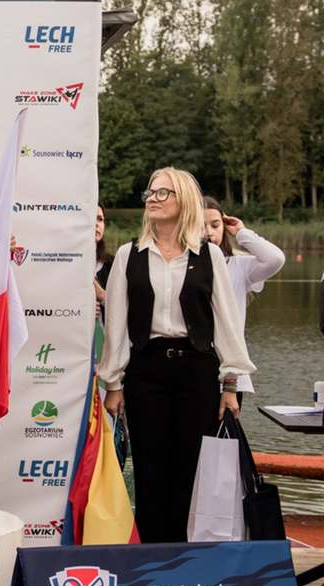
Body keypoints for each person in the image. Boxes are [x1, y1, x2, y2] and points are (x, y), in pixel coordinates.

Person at [100, 167, 254, 543]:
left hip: (197, 370)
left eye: (162, 193)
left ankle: (185, 560)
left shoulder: (209, 256)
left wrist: (230, 384)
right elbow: (117, 324)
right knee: (150, 471)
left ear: (183, 199)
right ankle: (153, 559)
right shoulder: (128, 254)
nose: (152, 198)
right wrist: (114, 383)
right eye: (150, 192)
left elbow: (226, 324)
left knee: (191, 470)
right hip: (145, 370)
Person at [203, 196, 286, 409]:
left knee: (222, 440)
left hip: (229, 375)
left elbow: (275, 259)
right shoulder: (178, 268)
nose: (209, 232)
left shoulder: (238, 266)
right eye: (200, 225)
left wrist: (241, 232)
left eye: (215, 225)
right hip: (192, 371)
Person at [94, 203, 112, 319]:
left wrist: (102, 295)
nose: (96, 224)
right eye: (90, 218)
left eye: (100, 219)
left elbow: (130, 309)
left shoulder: (115, 264)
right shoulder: (61, 265)